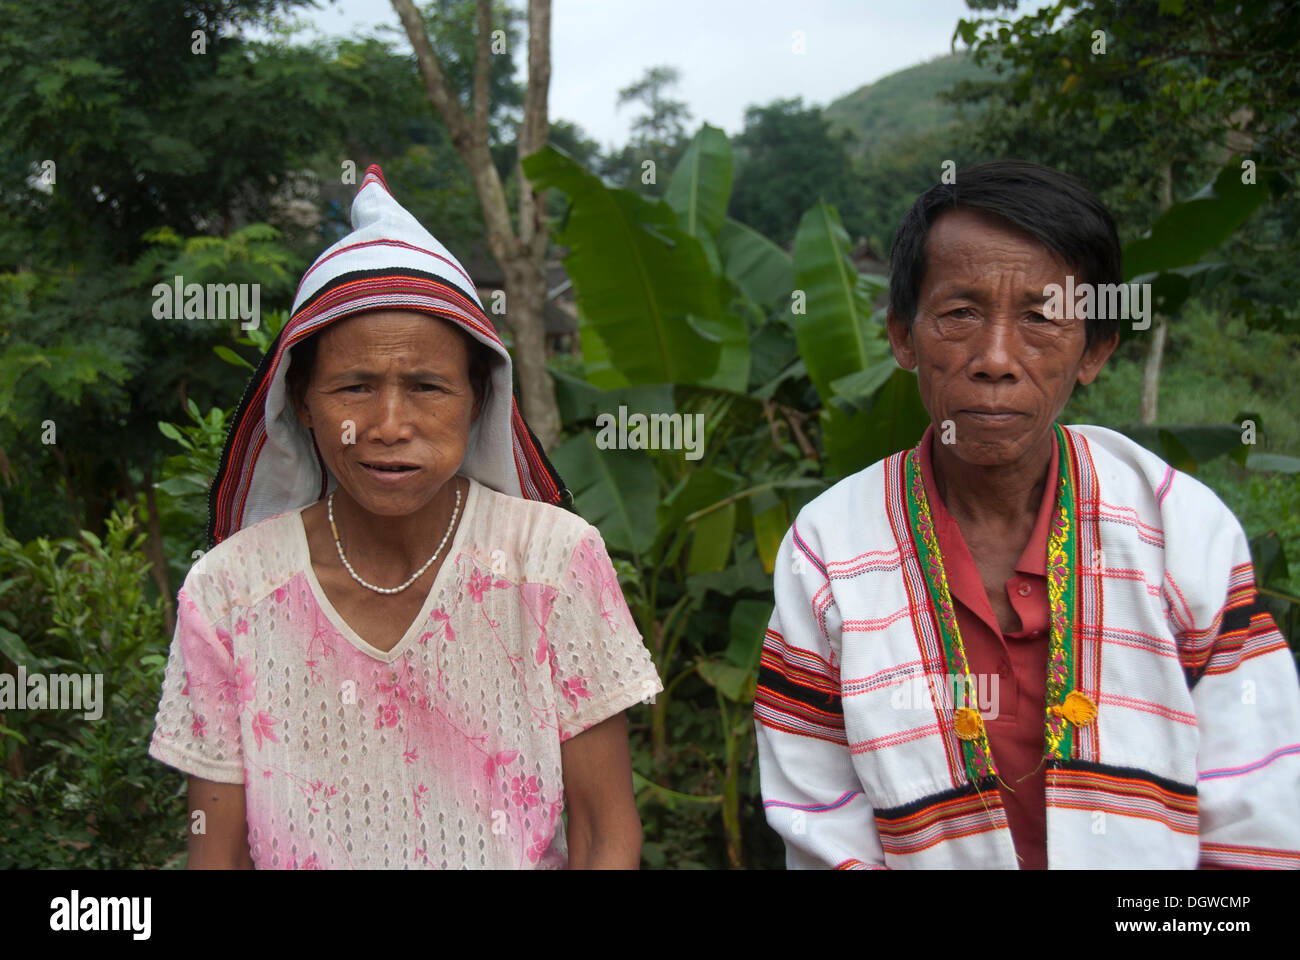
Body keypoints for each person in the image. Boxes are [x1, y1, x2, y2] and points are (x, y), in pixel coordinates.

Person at [755, 159, 1300, 869]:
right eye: (959, 314)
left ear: (1094, 350)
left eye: (1041, 318)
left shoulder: (1176, 532)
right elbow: (823, 828)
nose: (996, 359)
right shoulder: (829, 552)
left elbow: (1256, 818)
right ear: (902, 337)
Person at [148, 164, 662, 869]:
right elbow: (218, 854)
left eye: (427, 386)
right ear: (301, 400)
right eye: (353, 386)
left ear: (480, 397)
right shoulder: (230, 593)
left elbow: (607, 837)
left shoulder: (552, 565)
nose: (389, 425)